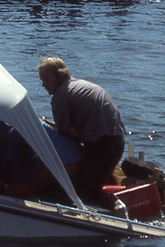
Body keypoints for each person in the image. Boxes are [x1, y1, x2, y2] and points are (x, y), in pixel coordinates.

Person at [38, 57, 125, 204]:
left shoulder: (60, 97)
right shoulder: (80, 84)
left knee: (82, 188)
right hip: (117, 141)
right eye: (42, 80)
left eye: (46, 79)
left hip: (104, 146)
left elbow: (64, 134)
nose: (43, 85)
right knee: (94, 180)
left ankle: (100, 216)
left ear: (59, 75)